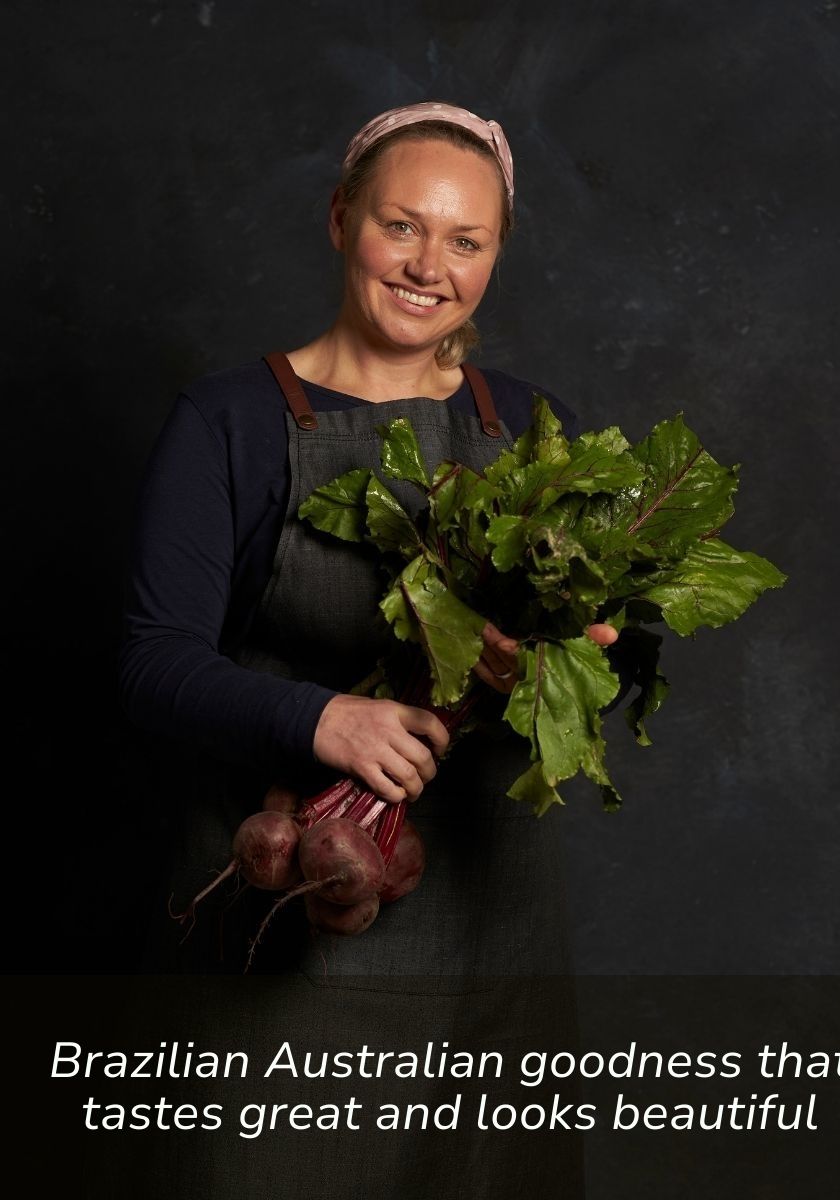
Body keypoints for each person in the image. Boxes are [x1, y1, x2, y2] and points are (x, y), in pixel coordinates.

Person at [116, 100, 618, 1197]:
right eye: (403, 225)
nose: (430, 266)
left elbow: (602, 665)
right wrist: (321, 720)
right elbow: (152, 664)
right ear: (342, 218)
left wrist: (565, 661)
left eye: (466, 240)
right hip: (286, 909)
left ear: (494, 256)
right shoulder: (231, 422)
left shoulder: (537, 431)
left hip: (490, 934)